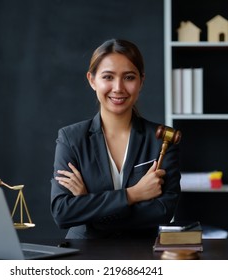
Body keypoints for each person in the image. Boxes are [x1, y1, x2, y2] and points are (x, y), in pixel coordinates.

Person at [50, 39, 181, 239]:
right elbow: (62, 212)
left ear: (141, 81)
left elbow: (163, 211)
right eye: (108, 77)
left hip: (142, 255)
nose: (118, 88)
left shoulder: (162, 139)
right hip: (83, 255)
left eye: (129, 77)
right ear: (92, 80)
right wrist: (133, 194)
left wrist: (88, 204)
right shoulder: (71, 138)